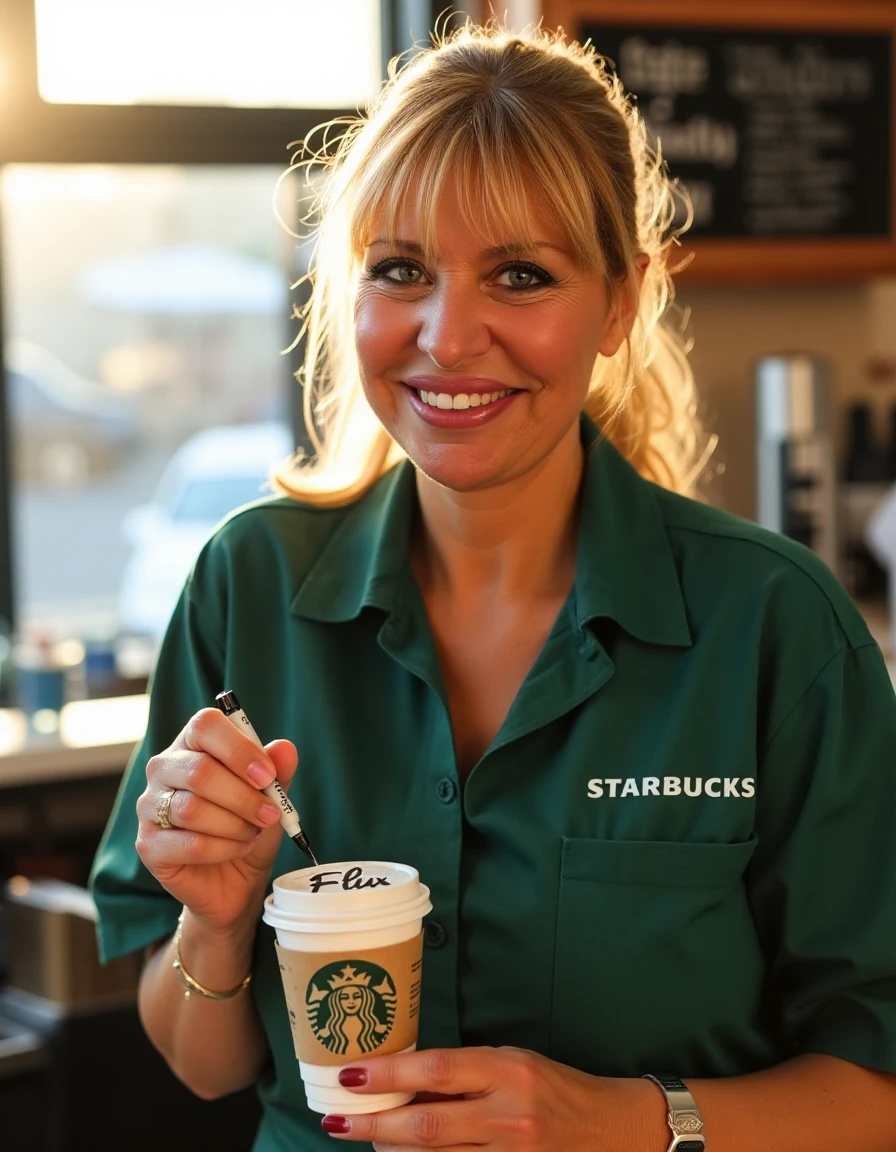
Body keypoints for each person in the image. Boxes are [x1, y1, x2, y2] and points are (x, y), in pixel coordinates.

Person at [89, 20, 896, 1152]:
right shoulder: (246, 584)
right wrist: (216, 919)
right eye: (400, 271)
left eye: (519, 274)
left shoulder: (771, 627)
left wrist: (620, 1120)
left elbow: (875, 1087)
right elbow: (201, 1063)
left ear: (619, 302)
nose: (446, 335)